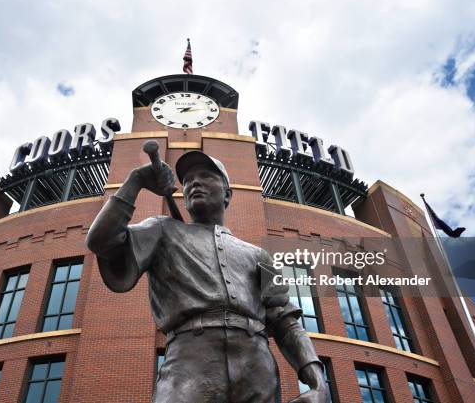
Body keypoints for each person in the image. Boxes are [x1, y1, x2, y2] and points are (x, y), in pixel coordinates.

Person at [86, 149, 329, 403]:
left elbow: (284, 320)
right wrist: (136, 180)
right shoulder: (162, 230)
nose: (194, 183)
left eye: (205, 176)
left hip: (257, 369)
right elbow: (101, 241)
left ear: (227, 194)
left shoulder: (259, 255)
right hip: (189, 364)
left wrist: (317, 381)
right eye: (188, 180)